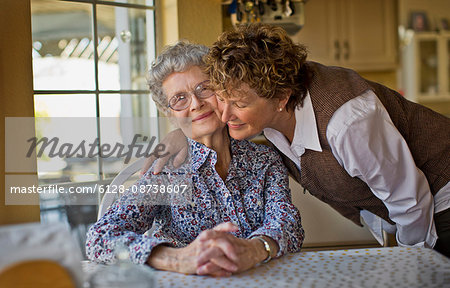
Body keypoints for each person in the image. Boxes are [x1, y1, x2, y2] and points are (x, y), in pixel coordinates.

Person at [144, 23, 450, 258]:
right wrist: (180, 135)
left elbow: (409, 201)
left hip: (440, 197)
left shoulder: (348, 122)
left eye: (237, 104)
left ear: (281, 98)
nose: (225, 115)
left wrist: (413, 264)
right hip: (394, 217)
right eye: (223, 98)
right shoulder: (258, 110)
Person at [85, 41, 304, 276]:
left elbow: (288, 224)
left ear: (222, 90)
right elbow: (99, 238)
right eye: (180, 98)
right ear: (169, 114)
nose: (196, 104)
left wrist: (254, 249)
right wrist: (177, 258)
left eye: (204, 88)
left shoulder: (264, 160)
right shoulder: (166, 172)